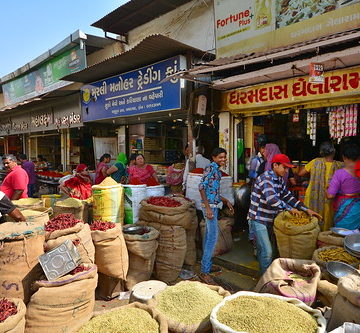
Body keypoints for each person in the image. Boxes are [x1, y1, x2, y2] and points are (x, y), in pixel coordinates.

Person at [248, 154, 322, 273]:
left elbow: (288, 197)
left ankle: (267, 274)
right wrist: (289, 209)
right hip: (258, 218)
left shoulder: (280, 180)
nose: (287, 171)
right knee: (267, 251)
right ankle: (264, 279)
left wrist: (305, 209)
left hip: (271, 218)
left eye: (288, 168)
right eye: (285, 167)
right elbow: (272, 200)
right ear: (275, 165)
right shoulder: (266, 178)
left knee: (269, 249)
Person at [198, 148, 234, 284]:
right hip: (210, 208)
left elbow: (212, 191)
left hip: (213, 206)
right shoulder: (211, 169)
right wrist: (207, 208)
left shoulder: (217, 171)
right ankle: (204, 271)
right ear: (213, 158)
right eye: (220, 157)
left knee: (209, 237)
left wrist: (225, 201)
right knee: (212, 239)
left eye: (224, 157)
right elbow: (201, 187)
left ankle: (206, 265)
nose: (223, 160)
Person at [299, 141, 343, 231]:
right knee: (328, 225)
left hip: (313, 199)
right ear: (334, 151)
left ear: (321, 153)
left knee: (312, 224)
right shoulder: (340, 165)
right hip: (330, 200)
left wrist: (313, 174)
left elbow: (300, 173)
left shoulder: (315, 162)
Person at [327, 144, 360, 230]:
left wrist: (326, 189)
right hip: (358, 207)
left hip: (344, 209)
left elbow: (330, 195)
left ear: (344, 157)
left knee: (342, 236)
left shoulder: (340, 173)